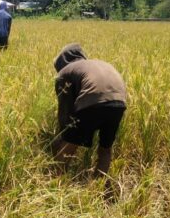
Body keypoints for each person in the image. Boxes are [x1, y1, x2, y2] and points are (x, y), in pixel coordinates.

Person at [51, 43, 127, 178]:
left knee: (69, 144)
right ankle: (98, 186)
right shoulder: (95, 64)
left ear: (62, 62)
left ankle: (56, 183)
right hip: (119, 103)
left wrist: (63, 136)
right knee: (105, 149)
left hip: (92, 101)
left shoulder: (65, 72)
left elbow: (65, 112)